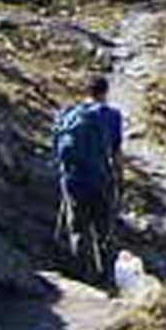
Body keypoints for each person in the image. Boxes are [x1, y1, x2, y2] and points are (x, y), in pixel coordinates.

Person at [53, 75, 125, 290]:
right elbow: (116, 151)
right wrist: (119, 179)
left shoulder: (68, 114)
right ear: (105, 92)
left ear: (85, 91)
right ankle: (107, 278)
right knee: (104, 230)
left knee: (78, 230)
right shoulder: (112, 115)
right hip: (100, 180)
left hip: (72, 180)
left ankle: (84, 278)